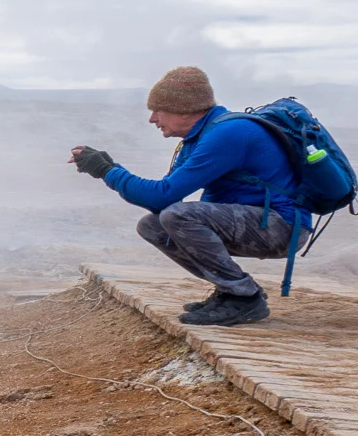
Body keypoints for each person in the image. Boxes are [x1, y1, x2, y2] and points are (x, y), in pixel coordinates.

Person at [70, 66, 297, 327]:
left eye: (158, 110)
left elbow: (162, 198)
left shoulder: (227, 134)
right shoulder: (201, 136)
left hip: (281, 227)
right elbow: (161, 197)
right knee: (153, 226)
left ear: (185, 108)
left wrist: (107, 171)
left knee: (177, 216)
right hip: (257, 224)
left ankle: (243, 297)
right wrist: (111, 168)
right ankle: (230, 291)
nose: (152, 119)